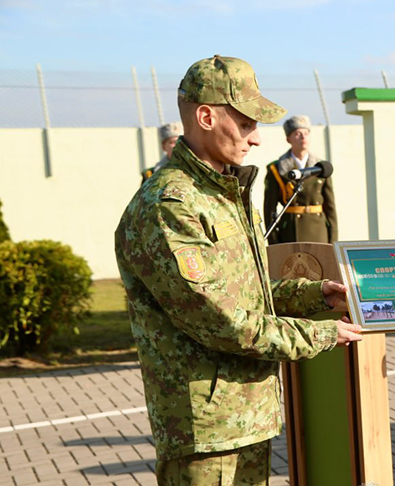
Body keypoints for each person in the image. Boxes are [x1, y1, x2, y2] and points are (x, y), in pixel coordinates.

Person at [114, 55, 363, 485]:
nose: (257, 139)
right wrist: (322, 333)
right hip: (205, 435)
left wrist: (316, 295)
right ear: (206, 116)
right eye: (247, 123)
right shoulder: (170, 205)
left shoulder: (223, 191)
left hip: (247, 416)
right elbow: (221, 320)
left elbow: (247, 290)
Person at [263, 115, 338, 244]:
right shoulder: (276, 169)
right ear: (288, 139)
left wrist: (333, 240)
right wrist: (274, 241)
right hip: (290, 233)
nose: (303, 137)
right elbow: (270, 209)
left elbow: (330, 207)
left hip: (319, 233)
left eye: (306, 133)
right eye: (297, 134)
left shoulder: (321, 167)